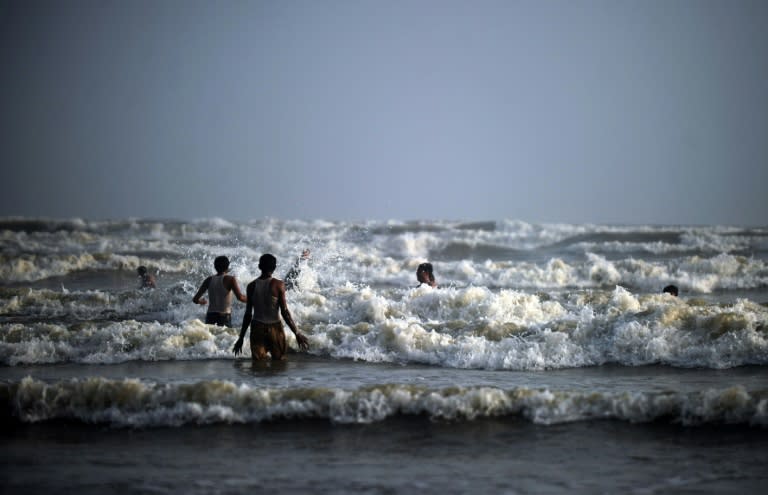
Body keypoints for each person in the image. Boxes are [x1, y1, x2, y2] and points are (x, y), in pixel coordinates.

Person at [233, 253, 309, 361]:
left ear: (259, 267)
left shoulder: (251, 286)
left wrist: (240, 338)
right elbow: (285, 312)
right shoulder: (278, 285)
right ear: (274, 268)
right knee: (279, 363)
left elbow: (248, 314)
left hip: (257, 328)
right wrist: (297, 333)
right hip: (275, 328)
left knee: (258, 365)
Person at [192, 255, 247, 326]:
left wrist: (201, 302)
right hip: (223, 317)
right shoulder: (230, 279)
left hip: (210, 316)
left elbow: (195, 300)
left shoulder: (209, 280)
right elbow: (240, 298)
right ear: (227, 267)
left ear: (215, 267)